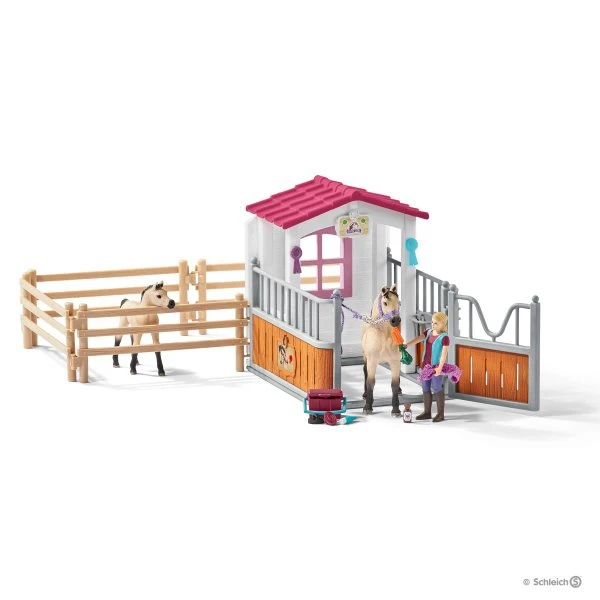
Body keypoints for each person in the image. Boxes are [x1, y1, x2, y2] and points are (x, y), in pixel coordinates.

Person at [405, 312, 450, 422]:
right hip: (425, 366)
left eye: (436, 323)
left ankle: (440, 414)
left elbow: (444, 355)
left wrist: (440, 368)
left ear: (443, 324)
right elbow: (418, 339)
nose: (433, 325)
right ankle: (427, 412)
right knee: (425, 388)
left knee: (437, 388)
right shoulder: (428, 332)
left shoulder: (444, 338)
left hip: (436, 367)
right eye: (432, 322)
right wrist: (407, 345)